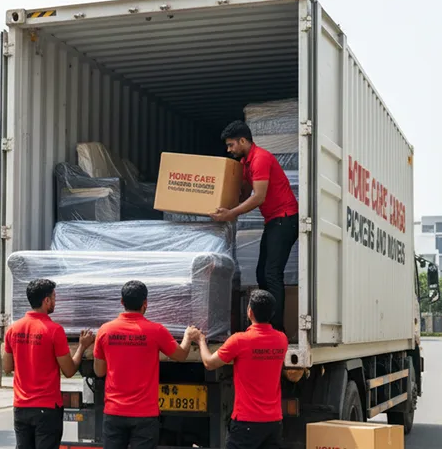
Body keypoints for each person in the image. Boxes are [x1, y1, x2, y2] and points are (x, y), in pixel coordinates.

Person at [210, 120, 299, 331]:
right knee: (261, 273)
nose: (229, 149)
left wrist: (231, 213)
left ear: (243, 140)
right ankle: (265, 323)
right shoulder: (245, 163)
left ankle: (276, 329)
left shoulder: (260, 159)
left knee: (271, 273)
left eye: (231, 144)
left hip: (285, 219)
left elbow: (258, 197)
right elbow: (244, 192)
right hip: (274, 220)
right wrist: (223, 205)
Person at [93, 280, 200, 449]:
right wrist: (187, 336)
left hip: (114, 412)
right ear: (145, 303)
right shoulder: (155, 330)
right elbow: (180, 355)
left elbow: (99, 371)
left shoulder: (105, 330)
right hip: (144, 414)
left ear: (122, 302)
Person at [2, 278, 95, 449]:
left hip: (21, 408)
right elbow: (68, 370)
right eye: (54, 297)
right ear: (46, 301)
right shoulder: (53, 330)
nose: (55, 301)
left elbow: (7, 367)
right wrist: (82, 346)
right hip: (47, 409)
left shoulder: (13, 330)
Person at [197, 289, 288, 449]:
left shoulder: (240, 341)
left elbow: (209, 363)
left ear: (250, 311)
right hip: (274, 421)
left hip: (246, 421)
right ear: (272, 313)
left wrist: (201, 341)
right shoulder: (282, 340)